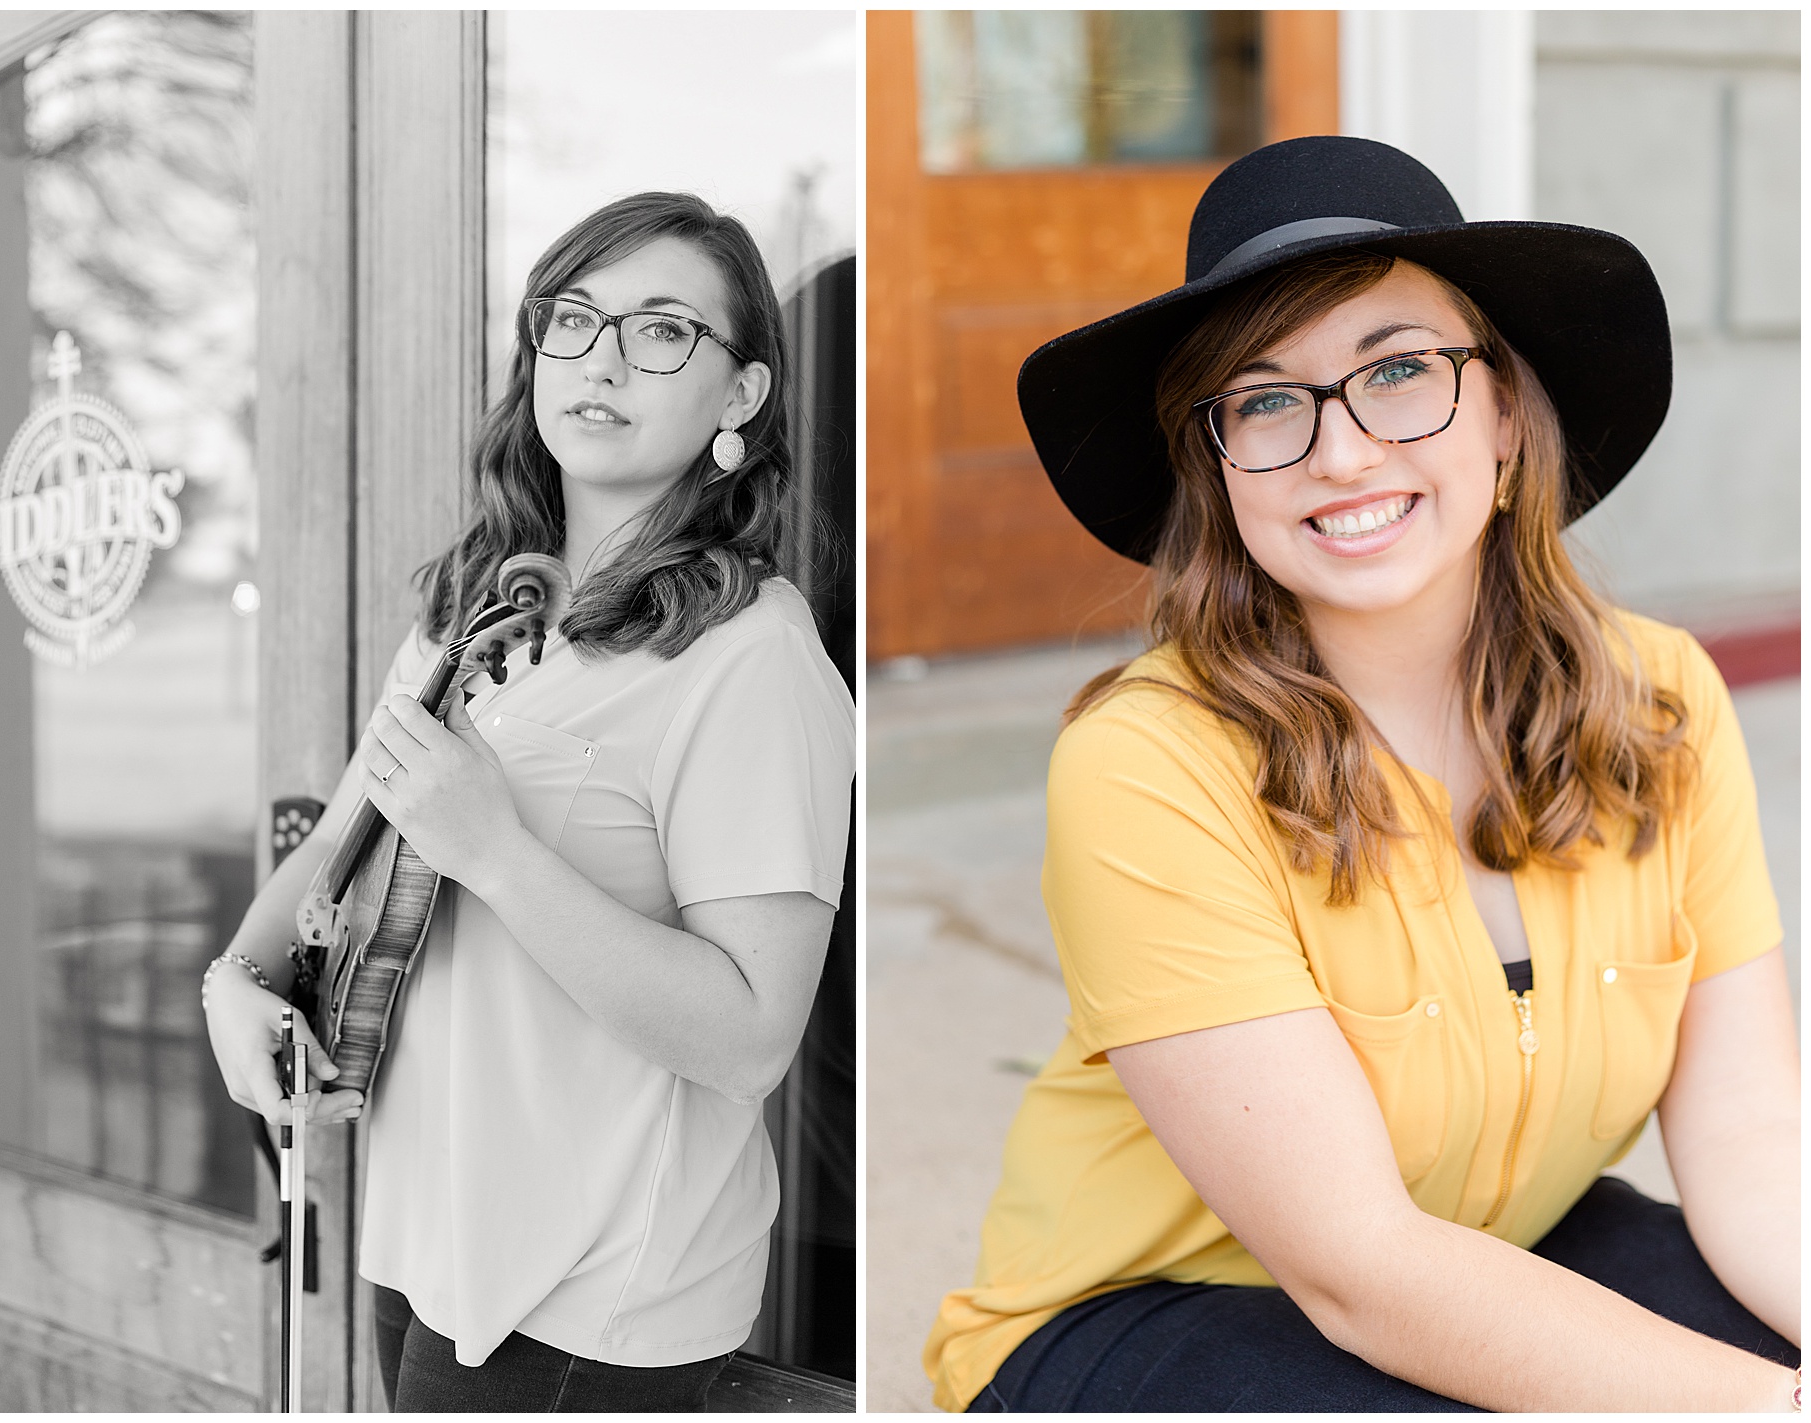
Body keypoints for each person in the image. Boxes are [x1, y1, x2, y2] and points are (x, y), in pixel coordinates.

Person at [925, 137, 1799, 1412]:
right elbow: (1362, 1270)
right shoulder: (1147, 762)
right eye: (1267, 399)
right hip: (1157, 1314)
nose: (1340, 453)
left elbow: (1751, 1138)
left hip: (1499, 1239)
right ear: (1218, 470)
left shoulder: (1661, 700)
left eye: (1398, 371)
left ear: (1505, 410)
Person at [203, 192, 854, 1412]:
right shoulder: (482, 601)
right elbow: (348, 832)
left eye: (664, 331)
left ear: (742, 396)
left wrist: (494, 851)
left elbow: (752, 1034)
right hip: (420, 1228)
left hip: (590, 1283)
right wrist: (234, 983)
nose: (603, 361)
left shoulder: (752, 655)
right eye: (575, 320)